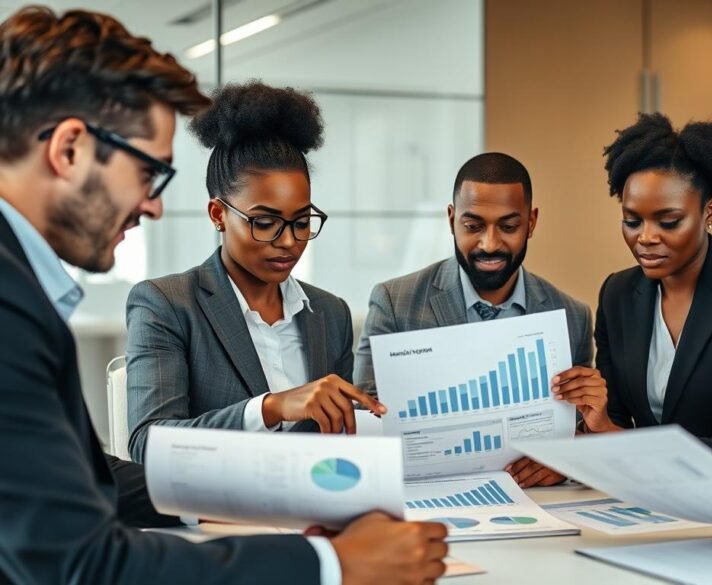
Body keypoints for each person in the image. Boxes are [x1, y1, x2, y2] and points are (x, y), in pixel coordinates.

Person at [0, 7, 445, 584]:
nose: (154, 204)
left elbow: (97, 482)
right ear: (68, 150)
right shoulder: (14, 308)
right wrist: (333, 565)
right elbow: (83, 563)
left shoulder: (22, 289)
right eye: (148, 174)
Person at [125, 81, 383, 463]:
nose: (289, 242)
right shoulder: (167, 305)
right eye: (265, 222)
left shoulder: (331, 313)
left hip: (317, 508)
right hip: (222, 516)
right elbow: (150, 443)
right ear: (218, 214)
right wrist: (270, 408)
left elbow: (342, 437)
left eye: (301, 221)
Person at [553, 113, 712, 465]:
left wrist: (621, 439)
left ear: (709, 211)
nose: (646, 238)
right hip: (641, 493)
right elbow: (616, 423)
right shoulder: (618, 293)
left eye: (668, 222)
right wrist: (596, 422)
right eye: (631, 221)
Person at [353, 152, 593, 487]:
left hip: (537, 502)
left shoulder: (572, 316)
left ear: (532, 222)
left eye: (509, 226)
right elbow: (363, 421)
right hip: (427, 498)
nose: (490, 243)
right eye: (473, 226)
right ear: (451, 219)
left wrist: (565, 461)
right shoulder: (395, 303)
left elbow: (580, 429)